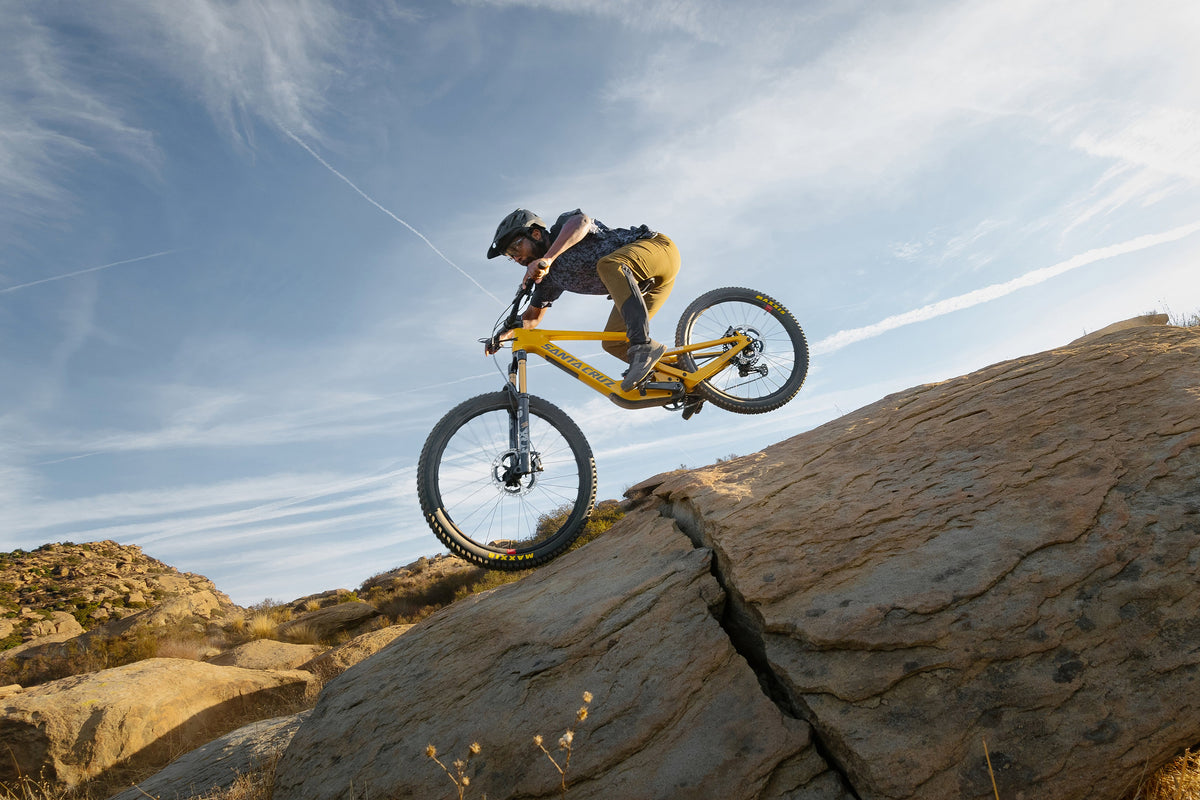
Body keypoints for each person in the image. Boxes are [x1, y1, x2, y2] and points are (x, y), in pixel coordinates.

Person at [485, 208, 681, 391]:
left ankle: (643, 346)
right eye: (510, 256)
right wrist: (504, 335)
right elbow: (532, 318)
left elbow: (582, 221)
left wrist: (549, 259)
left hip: (658, 250)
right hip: (647, 287)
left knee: (609, 265)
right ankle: (680, 377)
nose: (515, 257)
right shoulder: (548, 279)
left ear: (535, 234)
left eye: (514, 248)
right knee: (613, 341)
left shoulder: (562, 230)